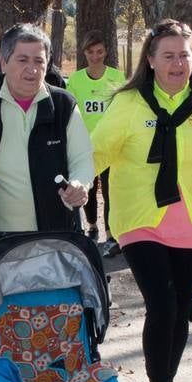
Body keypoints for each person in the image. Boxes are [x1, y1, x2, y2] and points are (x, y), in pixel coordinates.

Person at [91, 20, 192, 382]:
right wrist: (75, 184)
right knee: (162, 302)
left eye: (184, 55)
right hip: (139, 219)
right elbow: (100, 150)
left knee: (181, 310)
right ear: (150, 61)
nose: (177, 63)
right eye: (168, 56)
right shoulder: (130, 103)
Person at [0, 23, 92, 233]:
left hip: (57, 237)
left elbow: (82, 158)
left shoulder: (64, 105)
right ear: (3, 62)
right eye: (22, 60)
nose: (32, 69)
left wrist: (79, 184)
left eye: (39, 61)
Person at [65, 31, 125, 246]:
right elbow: (71, 111)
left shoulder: (117, 78)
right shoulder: (75, 79)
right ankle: (92, 226)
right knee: (88, 188)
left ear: (106, 52)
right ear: (84, 53)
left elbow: (124, 109)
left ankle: (110, 233)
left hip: (111, 145)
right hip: (86, 145)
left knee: (111, 191)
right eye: (90, 52)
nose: (95, 56)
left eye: (99, 51)